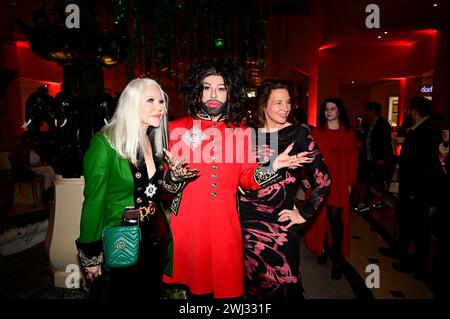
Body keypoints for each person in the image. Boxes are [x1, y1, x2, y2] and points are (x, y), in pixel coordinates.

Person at [162, 59, 307, 299]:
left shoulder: (243, 133)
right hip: (190, 222)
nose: (213, 94)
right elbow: (166, 186)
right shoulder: (175, 128)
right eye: (206, 87)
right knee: (197, 291)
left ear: (230, 93)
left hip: (226, 222)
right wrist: (174, 177)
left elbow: (248, 180)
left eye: (221, 88)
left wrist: (274, 165)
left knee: (228, 290)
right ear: (196, 91)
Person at [75, 78, 171, 299]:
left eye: (161, 101)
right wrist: (91, 254)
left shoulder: (152, 141)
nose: (160, 107)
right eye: (150, 101)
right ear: (131, 104)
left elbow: (154, 192)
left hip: (153, 240)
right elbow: (93, 202)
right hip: (120, 242)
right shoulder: (105, 144)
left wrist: (174, 176)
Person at [237, 80, 331, 299]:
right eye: (278, 102)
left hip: (281, 224)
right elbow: (239, 174)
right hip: (249, 224)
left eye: (287, 102)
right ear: (263, 106)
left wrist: (304, 213)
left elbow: (324, 179)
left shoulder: (298, 134)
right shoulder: (250, 135)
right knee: (254, 285)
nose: (285, 108)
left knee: (286, 285)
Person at [386, 96, 441, 280]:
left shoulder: (427, 133)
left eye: (408, 109)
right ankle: (401, 253)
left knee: (419, 229)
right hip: (410, 187)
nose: (406, 112)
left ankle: (418, 267)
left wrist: (412, 190)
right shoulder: (415, 131)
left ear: (415, 111)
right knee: (406, 223)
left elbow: (422, 165)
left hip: (417, 190)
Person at [304, 98, 358, 279]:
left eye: (333, 108)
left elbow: (353, 159)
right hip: (321, 180)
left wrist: (350, 183)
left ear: (339, 111)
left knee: (335, 218)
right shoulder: (318, 131)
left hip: (339, 182)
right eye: (326, 109)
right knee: (320, 216)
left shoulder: (348, 132)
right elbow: (309, 154)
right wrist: (305, 176)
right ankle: (322, 249)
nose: (329, 112)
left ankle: (337, 258)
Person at [355, 101, 394, 212]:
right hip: (368, 159)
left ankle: (375, 202)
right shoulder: (368, 123)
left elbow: (386, 142)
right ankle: (372, 202)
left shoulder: (383, 124)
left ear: (372, 111)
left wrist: (382, 158)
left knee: (376, 182)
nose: (365, 113)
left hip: (378, 159)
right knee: (370, 181)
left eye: (367, 111)